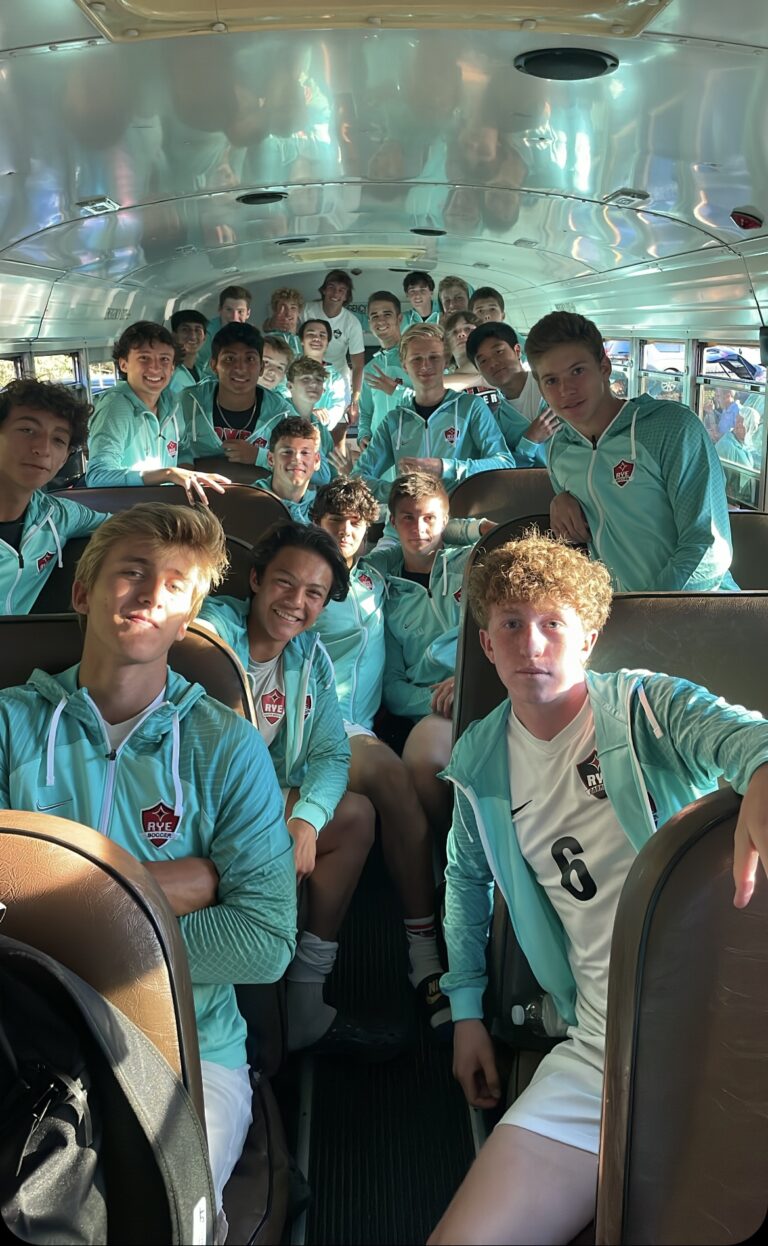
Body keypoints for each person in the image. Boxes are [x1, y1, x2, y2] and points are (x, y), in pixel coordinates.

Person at [429, 533, 768, 1246]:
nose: (532, 644)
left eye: (553, 623)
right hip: (604, 1047)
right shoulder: (481, 759)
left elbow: (745, 739)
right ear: (487, 648)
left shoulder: (645, 708)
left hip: (731, 1023)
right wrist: (464, 1010)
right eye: (511, 625)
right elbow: (466, 881)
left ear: (588, 635)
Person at [0, 503, 298, 1215]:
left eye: (173, 584)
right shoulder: (9, 725)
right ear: (83, 593)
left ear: (189, 615)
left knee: (158, 1218)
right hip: (19, 1032)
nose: (149, 594)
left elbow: (264, 942)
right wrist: (158, 891)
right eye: (131, 572)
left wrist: (54, 922)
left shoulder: (225, 747)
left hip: (188, 1044)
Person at [198, 521, 400, 1058]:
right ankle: (259, 1033)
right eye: (285, 584)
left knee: (354, 817)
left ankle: (308, 996)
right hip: (208, 806)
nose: (296, 602)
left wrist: (306, 820)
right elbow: (192, 626)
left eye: (314, 593)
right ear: (257, 579)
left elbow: (332, 755)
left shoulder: (309, 657)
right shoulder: (212, 633)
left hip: (266, 801)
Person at [310, 477, 451, 1035]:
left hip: (360, 725)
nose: (343, 531)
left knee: (365, 815)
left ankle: (310, 987)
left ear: (369, 533)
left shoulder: (377, 578)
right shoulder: (304, 580)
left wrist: (469, 524)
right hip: (316, 720)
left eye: (354, 523)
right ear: (315, 524)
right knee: (394, 778)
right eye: (331, 521)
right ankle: (426, 955)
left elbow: (431, 534)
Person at [525, 311, 738, 592]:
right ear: (540, 388)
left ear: (604, 366)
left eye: (577, 371)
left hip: (702, 609)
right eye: (551, 380)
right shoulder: (560, 450)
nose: (566, 390)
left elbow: (708, 548)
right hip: (619, 615)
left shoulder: (671, 429)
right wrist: (560, 499)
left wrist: (646, 614)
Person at [367, 473, 472, 843]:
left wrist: (469, 683)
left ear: (446, 520)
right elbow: (393, 686)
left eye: (429, 518)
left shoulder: (473, 565)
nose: (419, 528)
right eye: (408, 518)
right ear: (393, 523)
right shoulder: (384, 590)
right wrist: (436, 699)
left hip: (482, 688)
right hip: (431, 708)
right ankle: (449, 853)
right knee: (422, 762)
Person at [352, 323, 513, 503]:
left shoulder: (471, 407)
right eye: (416, 359)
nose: (425, 365)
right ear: (404, 365)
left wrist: (444, 467)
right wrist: (400, 491)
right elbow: (358, 477)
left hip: (460, 519)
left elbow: (504, 462)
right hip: (407, 525)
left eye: (434, 357)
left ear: (445, 360)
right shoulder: (394, 421)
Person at [85, 321, 229, 505]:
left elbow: (182, 447)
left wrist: (185, 482)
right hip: (124, 514)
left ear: (173, 368)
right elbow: (98, 477)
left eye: (164, 359)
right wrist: (168, 473)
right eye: (144, 358)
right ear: (124, 364)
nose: (155, 368)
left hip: (160, 508)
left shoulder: (172, 403)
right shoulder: (116, 407)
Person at [0, 379, 109, 614]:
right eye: (27, 430)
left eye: (58, 439)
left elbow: (127, 524)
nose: (43, 448)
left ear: (64, 458)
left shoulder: (58, 516)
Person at [179, 322, 291, 470]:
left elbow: (318, 471)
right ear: (214, 365)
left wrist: (259, 456)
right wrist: (185, 462)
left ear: (261, 368)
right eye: (229, 359)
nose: (240, 368)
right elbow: (166, 448)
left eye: (250, 359)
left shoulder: (281, 413)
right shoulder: (187, 401)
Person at [466, 322, 557, 467]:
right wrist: (530, 441)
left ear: (517, 351)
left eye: (499, 352)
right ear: (479, 371)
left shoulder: (553, 381)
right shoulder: (497, 423)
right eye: (483, 361)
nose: (493, 363)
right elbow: (508, 468)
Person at [303, 269, 365, 417]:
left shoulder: (352, 323)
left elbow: (358, 366)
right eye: (331, 287)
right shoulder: (306, 310)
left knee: (338, 434)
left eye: (342, 290)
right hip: (306, 375)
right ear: (324, 290)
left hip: (337, 379)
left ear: (346, 296)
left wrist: (354, 401)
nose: (336, 293)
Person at [358, 291, 411, 452]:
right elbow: (366, 413)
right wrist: (363, 434)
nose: (380, 320)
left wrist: (396, 390)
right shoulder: (369, 368)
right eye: (374, 316)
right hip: (379, 450)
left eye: (387, 314)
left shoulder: (415, 357)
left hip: (413, 443)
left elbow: (431, 399)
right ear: (369, 322)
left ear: (399, 318)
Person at [252, 416, 322, 522]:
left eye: (305, 453)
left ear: (316, 461)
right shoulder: (247, 499)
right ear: (271, 459)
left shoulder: (324, 509)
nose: (296, 459)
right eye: (287, 452)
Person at [298, 318, 350, 431]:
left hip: (320, 436)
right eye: (311, 334)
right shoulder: (288, 371)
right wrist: (308, 414)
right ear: (301, 340)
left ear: (327, 343)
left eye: (322, 335)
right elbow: (283, 401)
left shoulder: (335, 378)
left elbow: (337, 407)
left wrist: (318, 419)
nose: (317, 338)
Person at [196, 284, 252, 374]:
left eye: (240, 311)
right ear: (220, 309)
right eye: (229, 310)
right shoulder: (205, 335)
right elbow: (197, 368)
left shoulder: (253, 337)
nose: (234, 317)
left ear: (248, 314)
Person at [168, 309, 209, 396]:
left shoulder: (202, 372)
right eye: (185, 330)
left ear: (204, 338)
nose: (193, 336)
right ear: (174, 335)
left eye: (198, 330)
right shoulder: (169, 373)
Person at [263, 286, 304, 358]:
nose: (288, 313)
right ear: (275, 311)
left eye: (293, 308)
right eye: (283, 307)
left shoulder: (304, 339)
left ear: (299, 312)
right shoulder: (269, 341)